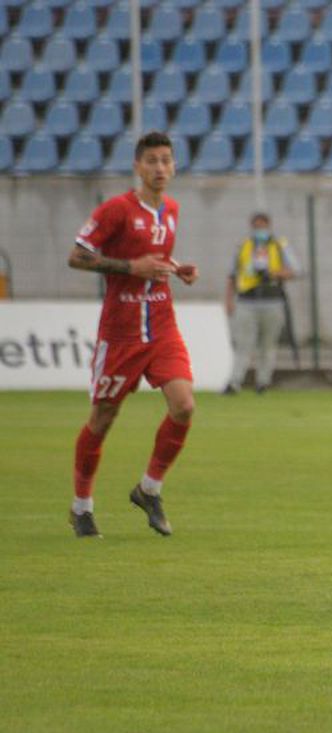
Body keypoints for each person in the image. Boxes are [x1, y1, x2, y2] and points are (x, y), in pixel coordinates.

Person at [67, 131, 199, 538]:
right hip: (121, 334)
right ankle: (81, 507)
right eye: (152, 161)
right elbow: (77, 256)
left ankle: (149, 489)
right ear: (138, 167)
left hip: (161, 326)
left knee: (184, 406)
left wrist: (175, 269)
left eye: (166, 160)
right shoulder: (116, 210)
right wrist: (130, 268)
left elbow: (155, 258)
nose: (160, 168)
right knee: (103, 419)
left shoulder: (172, 209)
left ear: (174, 166)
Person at [223, 212, 299, 394]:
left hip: (272, 300)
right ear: (251, 227)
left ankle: (263, 382)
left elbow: (295, 270)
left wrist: (273, 273)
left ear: (269, 226)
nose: (260, 230)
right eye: (256, 226)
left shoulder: (279, 245)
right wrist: (228, 300)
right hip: (246, 301)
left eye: (263, 226)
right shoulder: (243, 246)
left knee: (268, 345)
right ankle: (235, 382)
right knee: (243, 344)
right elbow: (232, 276)